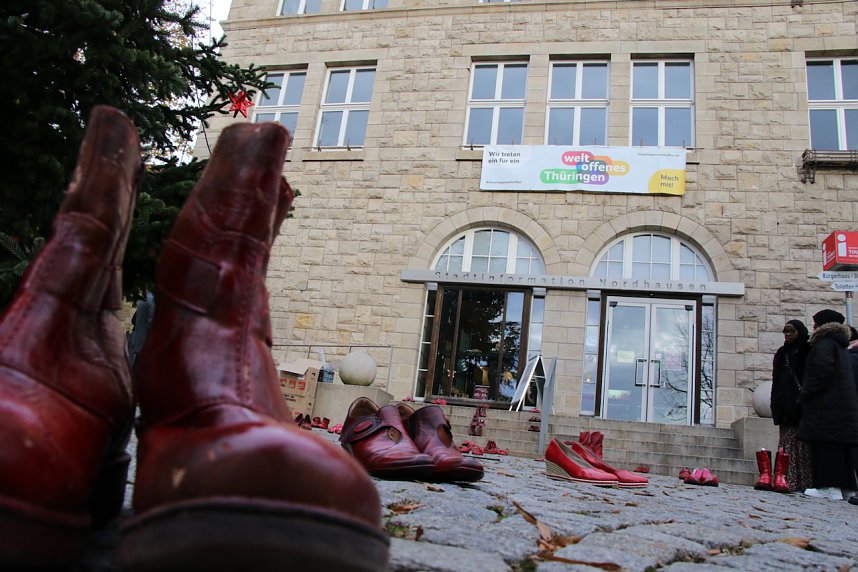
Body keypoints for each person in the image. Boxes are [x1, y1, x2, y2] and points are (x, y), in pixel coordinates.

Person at [798, 309, 858, 500]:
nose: (813, 326)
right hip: (840, 405)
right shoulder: (839, 344)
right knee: (840, 448)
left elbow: (820, 372)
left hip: (826, 405)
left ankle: (828, 486)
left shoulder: (824, 343)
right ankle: (845, 486)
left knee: (825, 446)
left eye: (815, 323)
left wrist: (805, 393)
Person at [769, 319, 813, 491]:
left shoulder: (806, 350)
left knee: (801, 447)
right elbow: (777, 380)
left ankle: (802, 481)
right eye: (785, 331)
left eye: (791, 331)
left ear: (799, 332)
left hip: (800, 405)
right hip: (784, 405)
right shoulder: (782, 352)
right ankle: (785, 479)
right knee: (786, 444)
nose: (787, 334)